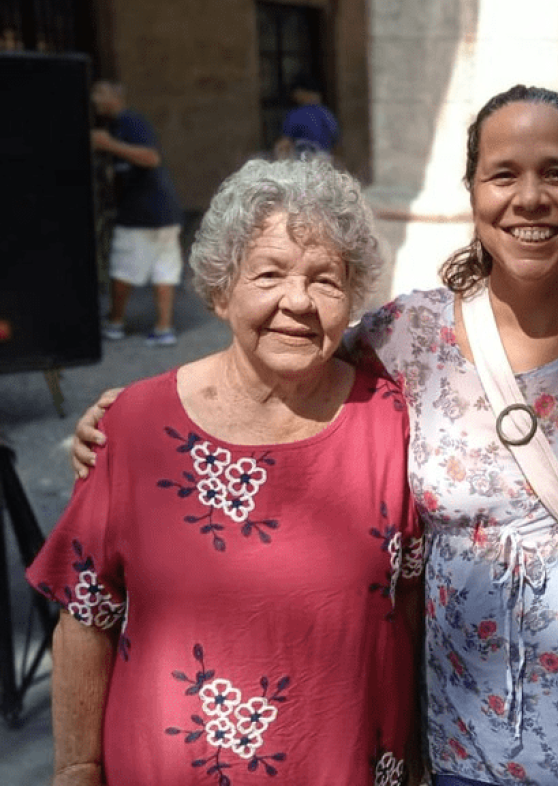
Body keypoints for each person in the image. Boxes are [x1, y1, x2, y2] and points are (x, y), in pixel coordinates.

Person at [72, 85, 558, 786]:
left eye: (556, 171)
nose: (530, 198)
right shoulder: (409, 338)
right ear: (472, 192)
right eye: (503, 174)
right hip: (471, 754)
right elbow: (281, 354)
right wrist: (137, 418)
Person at [31, 159, 423, 786]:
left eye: (325, 280)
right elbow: (84, 614)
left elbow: (410, 608)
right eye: (269, 274)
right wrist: (76, 769)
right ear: (220, 289)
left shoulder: (391, 425)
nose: (297, 301)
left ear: (351, 299)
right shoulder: (133, 426)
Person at [91, 80, 186, 346]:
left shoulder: (129, 121)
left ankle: (115, 323)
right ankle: (163, 328)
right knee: (162, 269)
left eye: (100, 93)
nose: (94, 98)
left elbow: (150, 158)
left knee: (124, 269)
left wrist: (108, 145)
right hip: (161, 210)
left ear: (115, 96)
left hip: (143, 211)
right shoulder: (117, 124)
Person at [274, 74, 339, 161]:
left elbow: (285, 143)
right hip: (324, 159)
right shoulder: (326, 113)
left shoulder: (296, 115)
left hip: (303, 161)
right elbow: (335, 137)